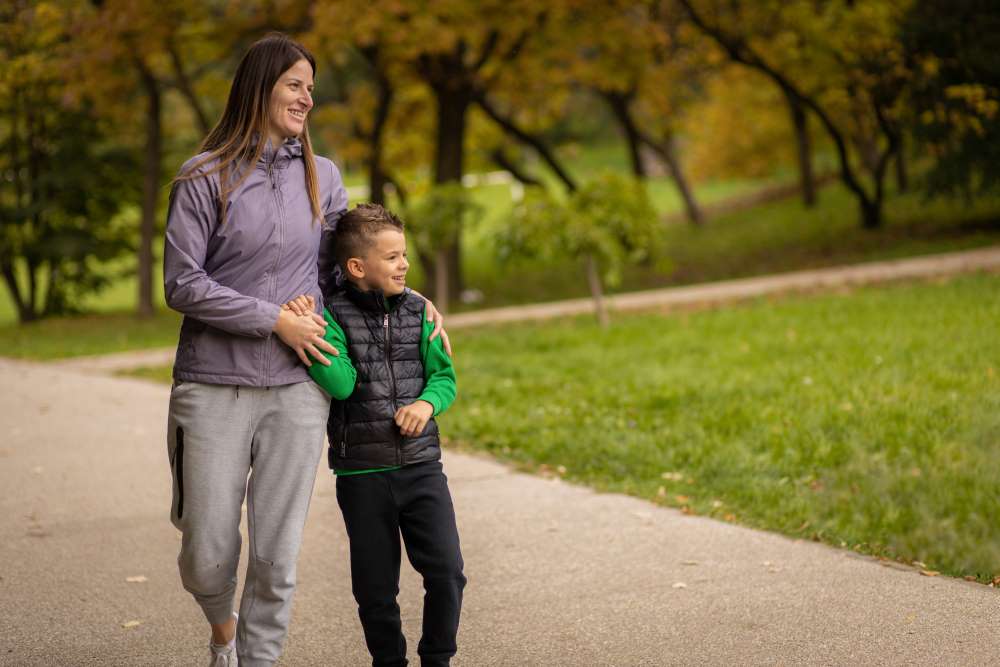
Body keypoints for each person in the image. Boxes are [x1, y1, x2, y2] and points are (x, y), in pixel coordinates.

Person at [162, 34, 446, 666]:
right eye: (295, 84)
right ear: (259, 87)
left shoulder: (326, 179)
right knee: (206, 552)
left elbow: (352, 269)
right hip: (213, 384)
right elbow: (182, 284)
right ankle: (222, 629)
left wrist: (416, 301)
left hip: (298, 387)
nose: (306, 97)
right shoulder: (203, 177)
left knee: (274, 557)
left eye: (310, 87)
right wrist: (273, 321)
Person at [295, 202, 466, 667]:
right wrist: (311, 339)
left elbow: (444, 377)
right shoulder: (331, 316)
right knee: (374, 589)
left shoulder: (419, 312)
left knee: (447, 572)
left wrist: (427, 404)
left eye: (404, 254)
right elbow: (343, 384)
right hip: (362, 475)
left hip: (421, 467)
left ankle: (438, 659)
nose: (404, 264)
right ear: (356, 266)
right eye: (391, 257)